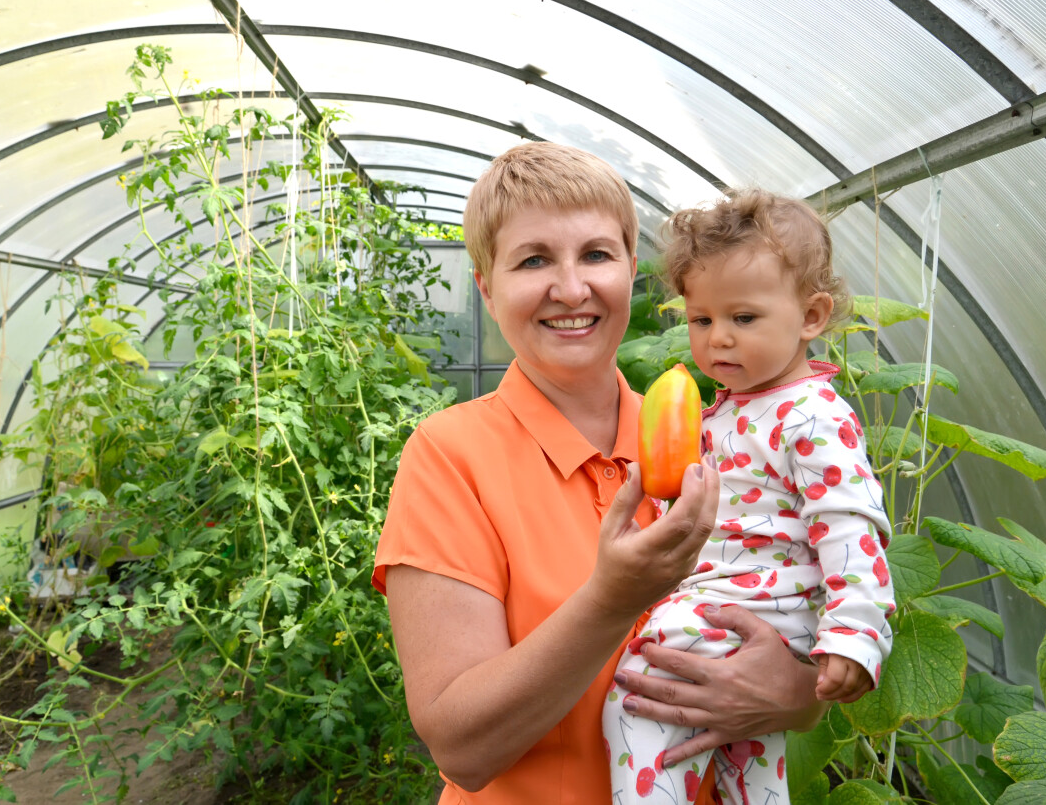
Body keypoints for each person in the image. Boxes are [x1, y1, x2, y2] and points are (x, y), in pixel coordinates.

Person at [372, 144, 826, 804]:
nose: (571, 288)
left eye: (595, 255)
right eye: (533, 260)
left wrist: (795, 695)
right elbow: (463, 749)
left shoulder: (711, 442)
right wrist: (612, 600)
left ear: (630, 271)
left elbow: (792, 642)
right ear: (486, 287)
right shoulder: (449, 456)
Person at [604, 190, 895, 804]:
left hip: (753, 613)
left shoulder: (810, 415)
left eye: (744, 318)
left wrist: (854, 634)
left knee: (638, 696)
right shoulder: (731, 409)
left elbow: (849, 527)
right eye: (702, 320)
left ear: (811, 317)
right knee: (752, 766)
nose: (718, 340)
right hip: (742, 610)